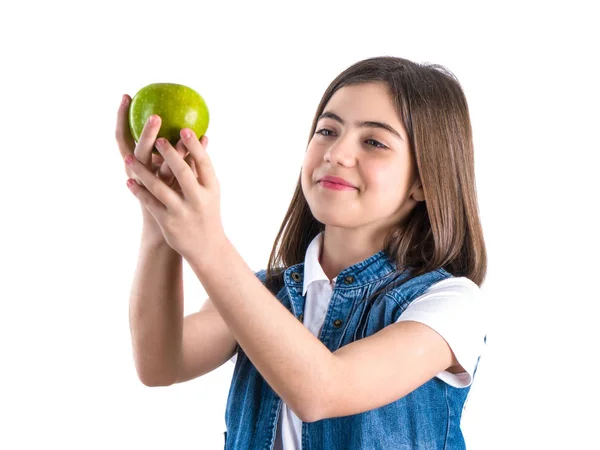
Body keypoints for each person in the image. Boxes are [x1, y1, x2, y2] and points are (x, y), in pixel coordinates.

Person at [117, 55, 487, 450]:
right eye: (328, 130)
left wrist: (208, 244)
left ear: (423, 182)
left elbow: (323, 390)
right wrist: (159, 223)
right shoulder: (261, 293)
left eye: (374, 142)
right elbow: (161, 363)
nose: (337, 153)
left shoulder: (451, 304)